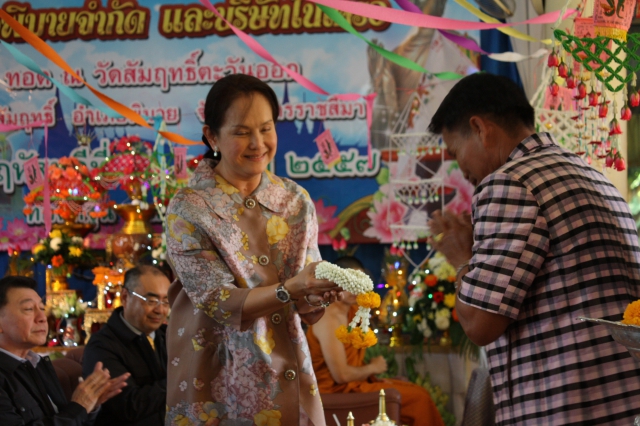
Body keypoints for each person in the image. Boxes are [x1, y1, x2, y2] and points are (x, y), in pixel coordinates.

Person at [427, 73, 640, 425]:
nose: (461, 169)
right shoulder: (593, 176)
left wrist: (461, 257)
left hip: (568, 410)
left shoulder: (508, 183)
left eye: (455, 152)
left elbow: (480, 325)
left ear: (480, 129)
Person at [165, 74, 342, 425]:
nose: (258, 143)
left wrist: (321, 291)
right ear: (212, 136)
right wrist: (293, 288)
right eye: (242, 132)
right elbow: (218, 301)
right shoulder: (188, 208)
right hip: (216, 382)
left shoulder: (295, 201)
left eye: (266, 128)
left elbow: (306, 302)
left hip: (287, 371)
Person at [306, 257, 444, 426]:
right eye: (349, 282)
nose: (355, 289)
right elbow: (341, 375)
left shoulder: (354, 311)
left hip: (355, 386)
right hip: (336, 393)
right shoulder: (328, 319)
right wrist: (373, 368)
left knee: (415, 391)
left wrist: (371, 375)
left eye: (358, 282)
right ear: (334, 282)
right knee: (419, 399)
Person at [0, 276, 129, 426]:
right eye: (28, 309)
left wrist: (89, 408)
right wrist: (78, 408)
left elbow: (64, 418)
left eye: (42, 308)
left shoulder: (37, 364)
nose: (42, 318)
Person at [82, 265, 170, 426]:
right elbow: (129, 406)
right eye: (151, 301)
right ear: (125, 297)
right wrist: (180, 382)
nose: (160, 310)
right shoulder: (102, 346)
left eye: (165, 301)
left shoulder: (169, 335)